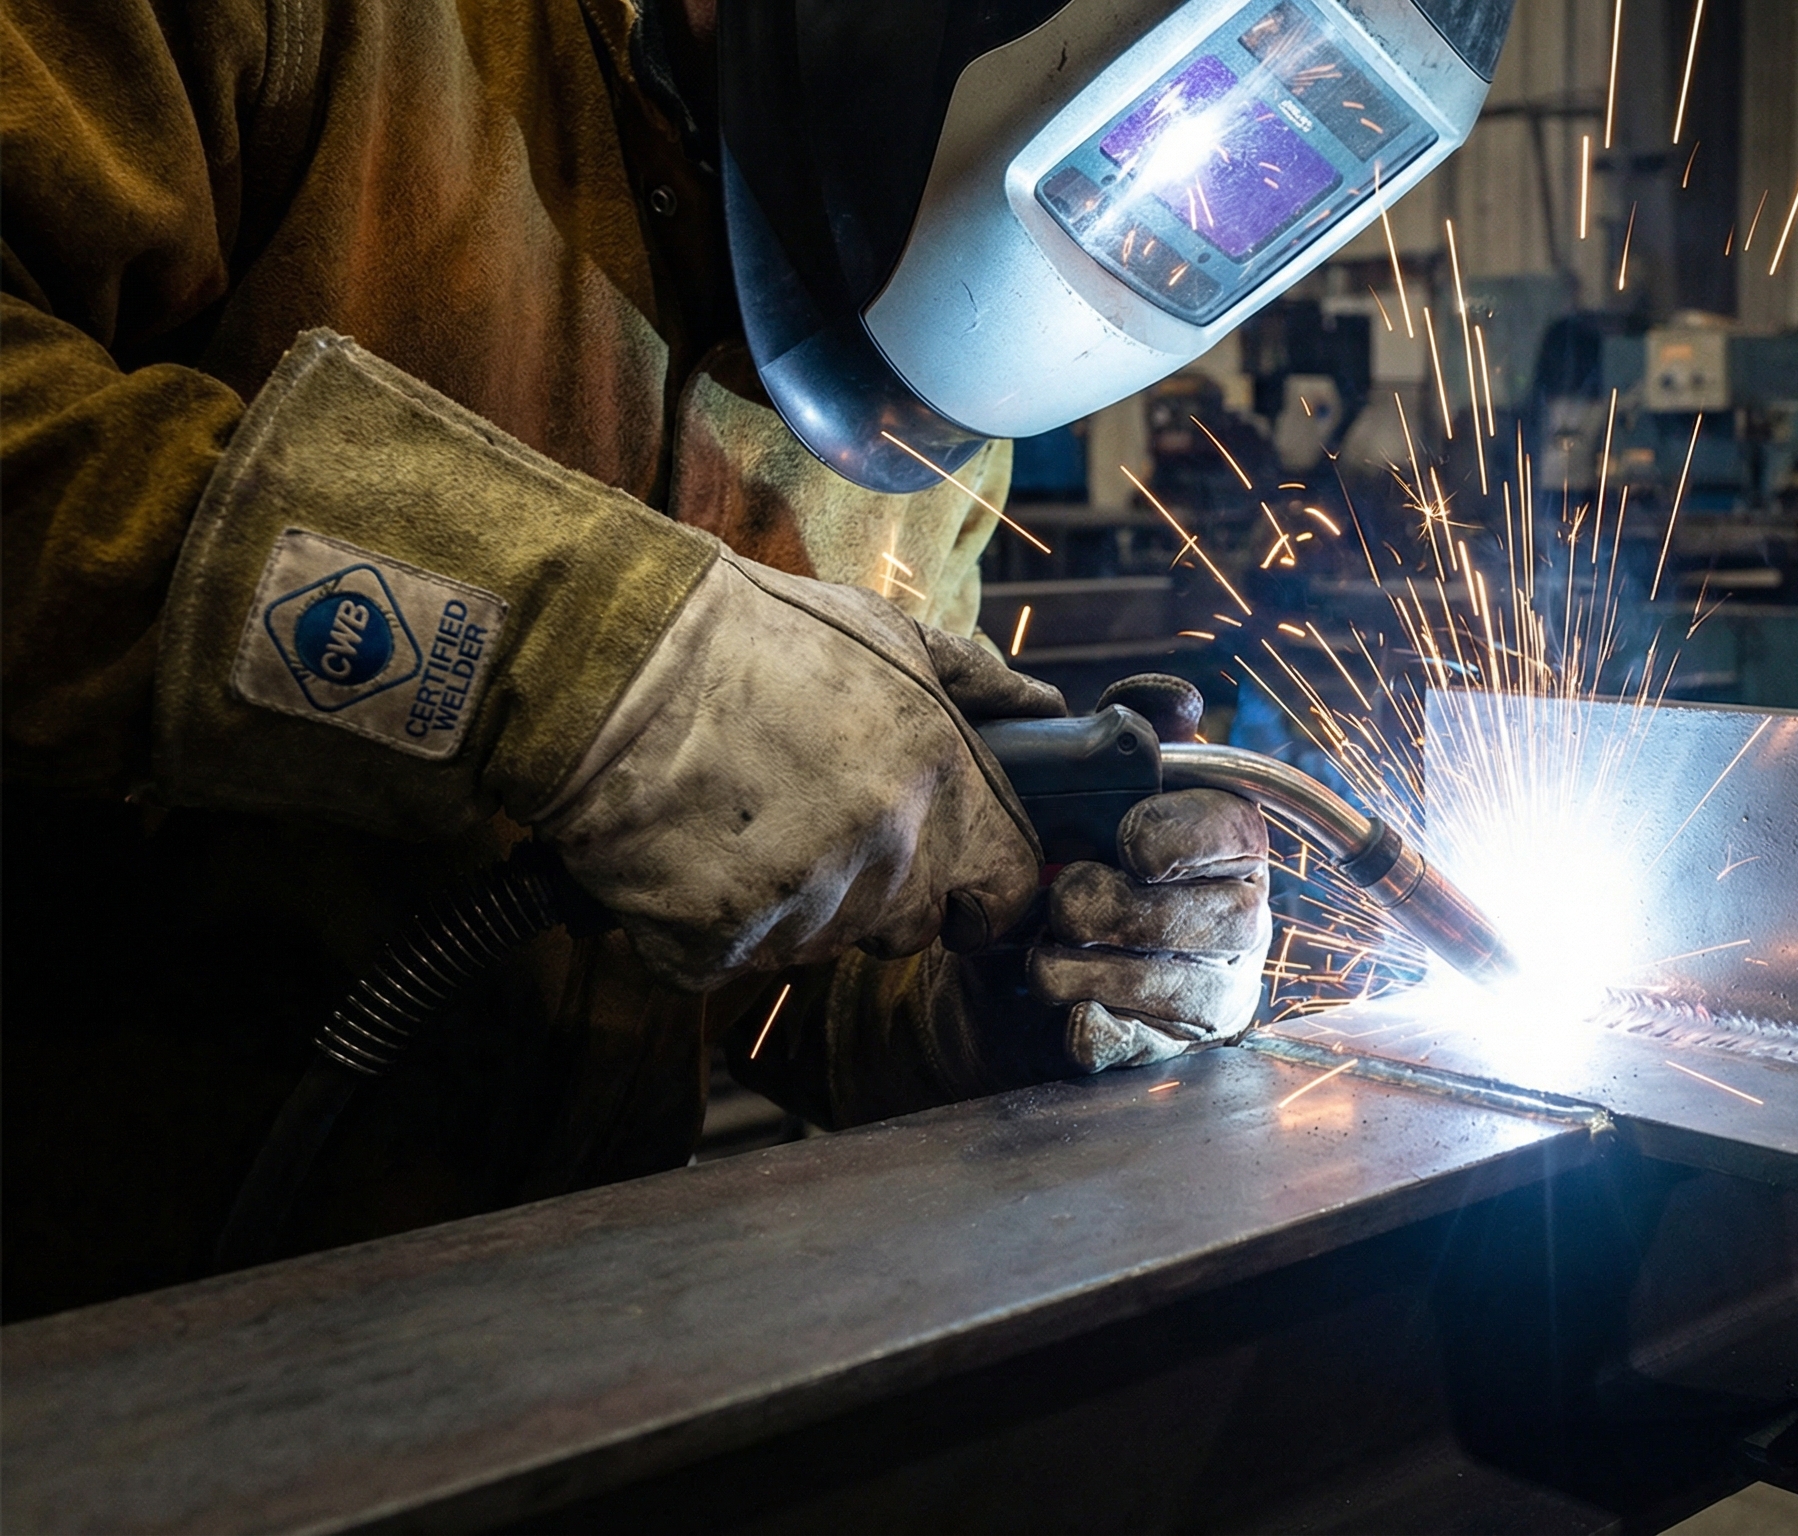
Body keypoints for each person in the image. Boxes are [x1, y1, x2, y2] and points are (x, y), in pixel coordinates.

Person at [0, 0, 1267, 1318]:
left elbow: (785, 926)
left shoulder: (936, 356)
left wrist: (987, 994)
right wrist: (556, 648)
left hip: (566, 1330)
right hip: (82, 1302)